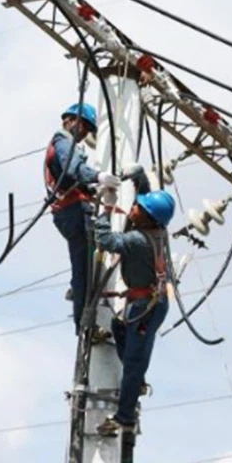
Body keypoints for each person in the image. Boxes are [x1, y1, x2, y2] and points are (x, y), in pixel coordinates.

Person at [92, 166, 176, 437]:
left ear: (147, 217)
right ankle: (135, 380)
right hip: (150, 302)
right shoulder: (157, 227)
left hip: (146, 307)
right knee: (118, 329)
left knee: (133, 361)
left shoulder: (137, 241)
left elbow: (104, 240)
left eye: (138, 208)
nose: (133, 209)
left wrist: (106, 209)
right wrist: (137, 176)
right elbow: (147, 197)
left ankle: (125, 417)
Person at [45, 103, 119, 333]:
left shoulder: (64, 144)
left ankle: (78, 293)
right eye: (84, 126)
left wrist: (91, 187)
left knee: (85, 268)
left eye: (88, 129)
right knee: (84, 273)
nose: (85, 133)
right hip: (73, 213)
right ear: (69, 120)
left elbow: (73, 177)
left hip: (71, 211)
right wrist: (98, 176)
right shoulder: (63, 143)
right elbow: (72, 169)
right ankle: (84, 325)